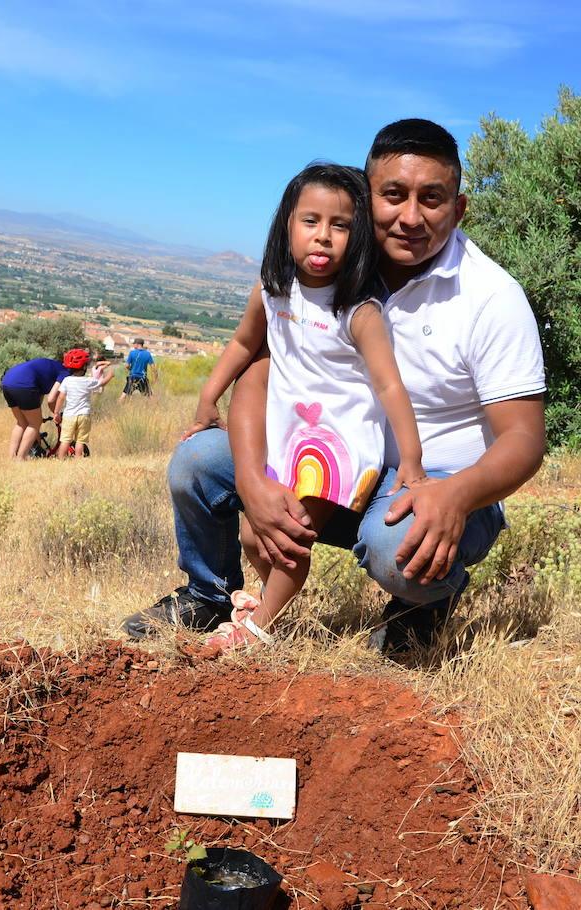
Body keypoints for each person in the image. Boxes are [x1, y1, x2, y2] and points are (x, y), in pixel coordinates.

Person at [122, 118, 547, 657]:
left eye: (432, 199)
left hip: (432, 486)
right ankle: (210, 593)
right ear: (366, 200)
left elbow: (525, 440)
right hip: (327, 456)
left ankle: (423, 606)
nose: (410, 217)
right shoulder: (325, 278)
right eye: (393, 195)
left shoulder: (491, 297)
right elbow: (260, 363)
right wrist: (252, 478)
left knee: (396, 544)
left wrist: (454, 495)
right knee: (199, 461)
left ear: (458, 209)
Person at [181, 163, 426, 652]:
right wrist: (208, 399)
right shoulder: (273, 291)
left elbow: (391, 387)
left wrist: (413, 461)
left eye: (341, 226)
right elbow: (240, 345)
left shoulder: (358, 311)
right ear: (286, 225)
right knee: (255, 536)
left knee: (291, 537)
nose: (323, 237)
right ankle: (265, 602)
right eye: (310, 221)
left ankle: (255, 632)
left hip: (339, 443)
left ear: (358, 238)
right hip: (290, 433)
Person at [0, 355, 66, 459]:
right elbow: (51, 399)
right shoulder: (65, 373)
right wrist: (57, 414)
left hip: (7, 382)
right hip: (24, 385)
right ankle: (20, 458)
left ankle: (12, 457)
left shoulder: (51, 368)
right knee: (35, 423)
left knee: (21, 422)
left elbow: (38, 397)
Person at [54, 349, 114, 458]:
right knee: (80, 440)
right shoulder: (88, 381)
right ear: (84, 367)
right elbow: (102, 383)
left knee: (65, 440)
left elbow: (60, 398)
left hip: (69, 416)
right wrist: (110, 375)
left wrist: (56, 413)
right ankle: (78, 459)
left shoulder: (67, 380)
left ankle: (61, 459)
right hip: (84, 415)